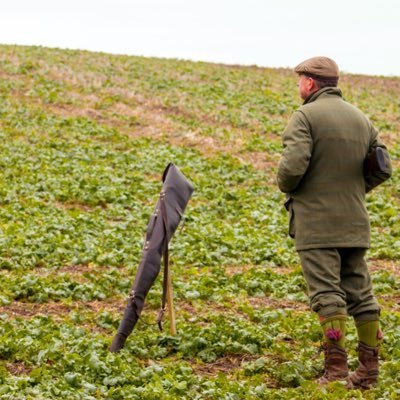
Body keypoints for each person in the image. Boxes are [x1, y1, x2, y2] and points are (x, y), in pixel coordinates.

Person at [277, 56, 392, 388]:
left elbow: (293, 166)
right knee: (361, 293)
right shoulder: (361, 119)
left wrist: (287, 183)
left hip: (317, 224)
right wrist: (355, 190)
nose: (298, 86)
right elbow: (382, 167)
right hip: (355, 222)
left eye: (300, 80)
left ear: (311, 83)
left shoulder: (305, 117)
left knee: (327, 293)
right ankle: (369, 372)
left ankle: (336, 373)